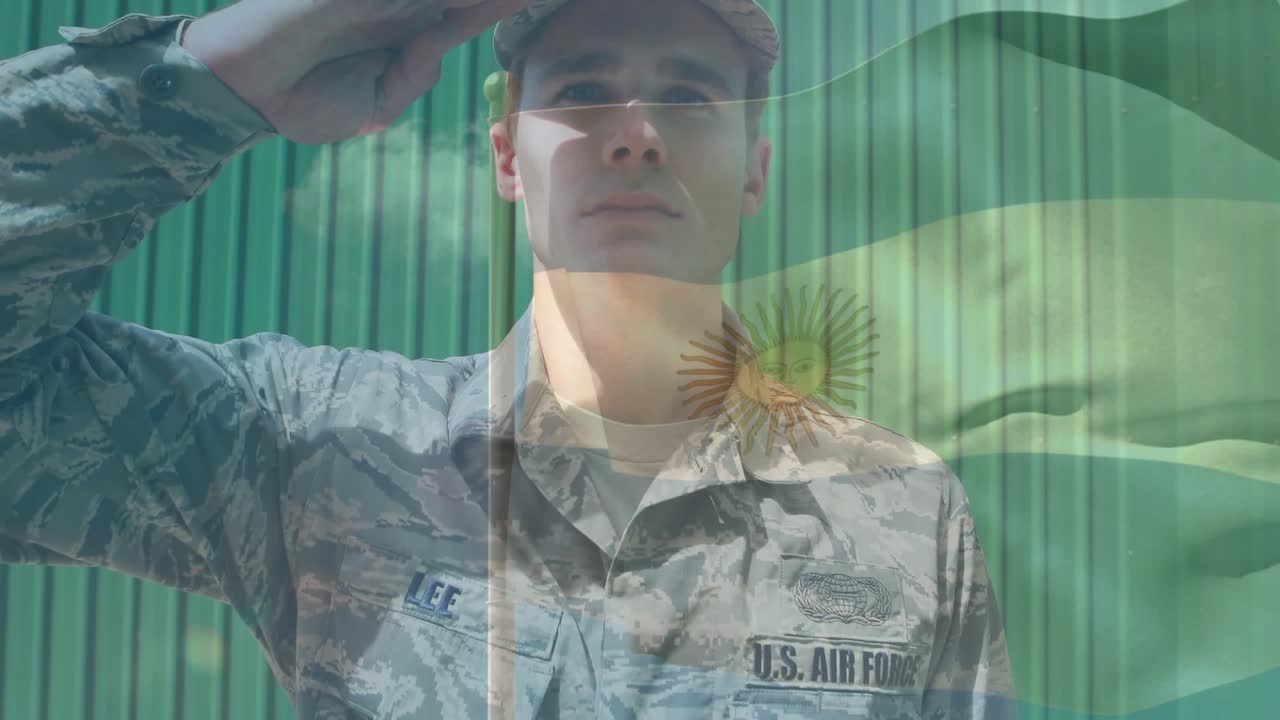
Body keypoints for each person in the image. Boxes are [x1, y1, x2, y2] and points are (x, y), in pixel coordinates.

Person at [0, 0, 1015, 717]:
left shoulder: (895, 510)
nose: (633, 134)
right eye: (580, 91)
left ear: (754, 168)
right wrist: (218, 73)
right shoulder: (316, 442)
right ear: (503, 156)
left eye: (689, 95)